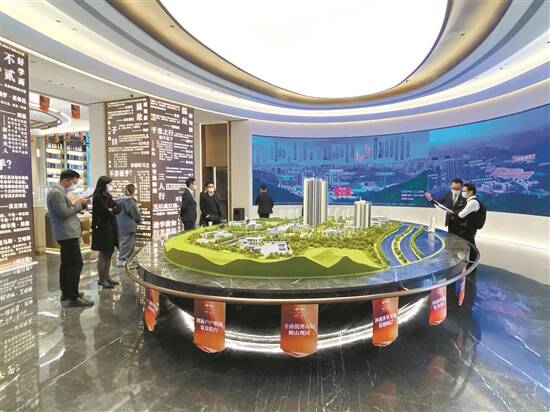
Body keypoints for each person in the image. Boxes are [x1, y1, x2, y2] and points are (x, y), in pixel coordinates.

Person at [47, 169, 94, 307]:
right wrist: (80, 205)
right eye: (73, 182)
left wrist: (78, 202)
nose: (73, 185)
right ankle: (73, 296)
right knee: (76, 264)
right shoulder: (56, 193)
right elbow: (64, 213)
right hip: (66, 233)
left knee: (67, 264)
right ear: (66, 180)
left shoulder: (60, 192)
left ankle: (67, 292)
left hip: (67, 233)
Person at [91, 176, 120, 288]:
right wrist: (111, 210)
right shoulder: (97, 197)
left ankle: (107, 277)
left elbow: (117, 208)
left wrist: (112, 209)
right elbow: (106, 213)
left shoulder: (107, 196)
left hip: (110, 227)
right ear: (104, 184)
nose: (111, 186)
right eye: (109, 184)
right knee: (103, 254)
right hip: (102, 229)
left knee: (109, 253)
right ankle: (102, 279)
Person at [454, 182, 482, 263]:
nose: (462, 193)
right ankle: (469, 261)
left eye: (464, 191)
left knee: (470, 245)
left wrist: (455, 213)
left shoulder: (473, 202)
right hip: (468, 227)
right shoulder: (469, 201)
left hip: (469, 228)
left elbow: (461, 215)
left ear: (471, 192)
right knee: (468, 244)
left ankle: (472, 263)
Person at [115, 183, 142, 267]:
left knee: (127, 242)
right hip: (128, 225)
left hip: (120, 224)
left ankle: (128, 258)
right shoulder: (129, 201)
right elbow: (134, 213)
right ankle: (122, 259)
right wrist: (139, 219)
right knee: (127, 243)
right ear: (133, 191)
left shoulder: (118, 200)